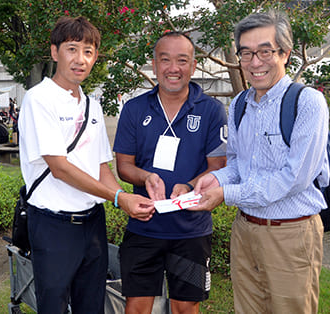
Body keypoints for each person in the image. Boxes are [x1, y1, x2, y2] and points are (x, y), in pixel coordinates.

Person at [190, 10, 329, 313]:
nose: (255, 62)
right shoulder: (240, 104)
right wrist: (215, 180)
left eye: (265, 51)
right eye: (246, 53)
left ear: (285, 53)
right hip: (245, 230)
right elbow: (239, 164)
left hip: (291, 235)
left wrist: (226, 193)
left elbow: (293, 179)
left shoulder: (307, 103)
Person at [18, 16, 154, 314]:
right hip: (53, 225)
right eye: (72, 49)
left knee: (91, 304)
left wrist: (124, 200)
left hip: (92, 223)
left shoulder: (91, 104)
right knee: (53, 306)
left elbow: (101, 167)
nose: (81, 59)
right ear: (55, 52)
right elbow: (59, 167)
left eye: (89, 51)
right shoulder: (38, 99)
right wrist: (119, 197)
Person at [113, 31, 227, 314]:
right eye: (165, 60)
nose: (173, 68)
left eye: (182, 60)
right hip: (144, 225)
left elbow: (218, 167)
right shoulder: (135, 109)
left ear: (193, 64)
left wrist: (188, 186)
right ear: (154, 64)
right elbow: (124, 166)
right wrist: (146, 177)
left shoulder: (212, 111)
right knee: (137, 307)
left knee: (186, 307)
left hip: (191, 230)